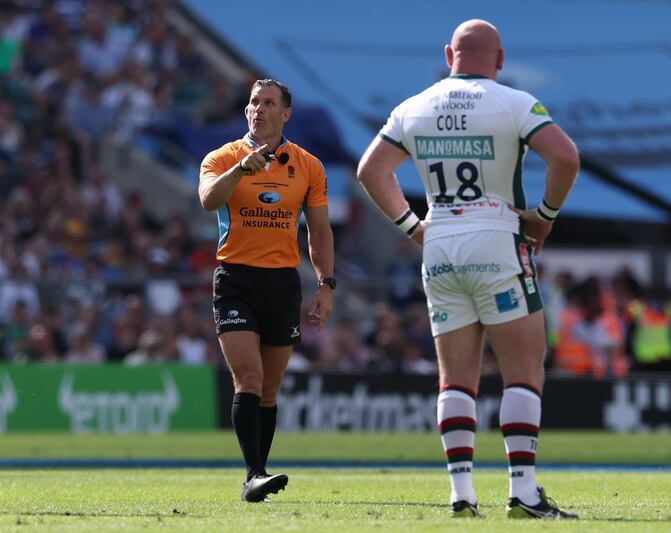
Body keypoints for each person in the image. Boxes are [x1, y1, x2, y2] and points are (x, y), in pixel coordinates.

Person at [357, 20, 579, 519]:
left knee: (454, 379)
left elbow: (371, 170)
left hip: (439, 242)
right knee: (523, 372)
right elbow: (565, 157)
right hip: (497, 236)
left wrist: (412, 226)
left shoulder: (412, 107)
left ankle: (462, 495)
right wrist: (543, 217)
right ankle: (523, 493)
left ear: (447, 54)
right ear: (499, 59)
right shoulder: (515, 102)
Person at [198, 79, 335, 502]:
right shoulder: (223, 157)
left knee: (270, 388)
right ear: (246, 112)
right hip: (235, 278)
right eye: (254, 103)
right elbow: (206, 199)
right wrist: (242, 169)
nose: (259, 109)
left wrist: (326, 284)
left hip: (282, 283)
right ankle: (254, 474)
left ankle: (256, 473)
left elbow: (319, 230)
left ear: (286, 113)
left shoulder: (308, 165)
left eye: (268, 103)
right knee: (250, 379)